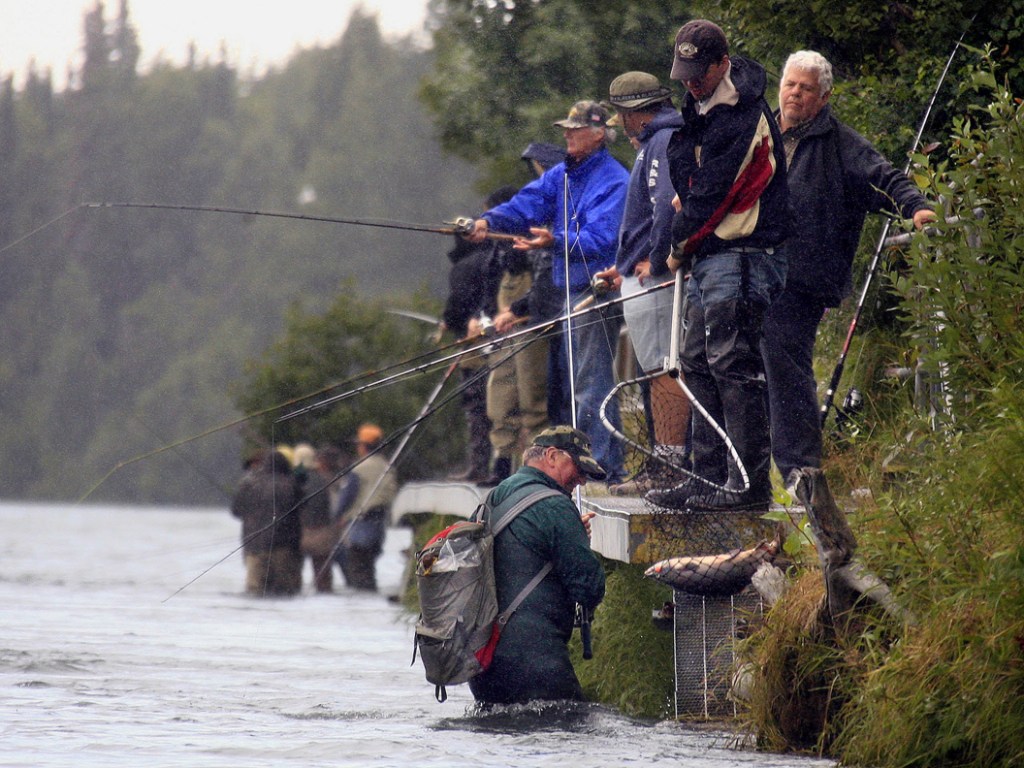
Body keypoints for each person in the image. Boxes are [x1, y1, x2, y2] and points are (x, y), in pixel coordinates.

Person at [762, 50, 936, 483]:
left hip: (801, 277)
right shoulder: (759, 132)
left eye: (806, 88)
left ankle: (800, 474)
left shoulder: (842, 144)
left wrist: (916, 207)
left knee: (787, 370)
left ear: (823, 97)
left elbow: (888, 178)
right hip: (750, 270)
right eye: (790, 84)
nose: (796, 94)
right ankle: (743, 474)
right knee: (737, 369)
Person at [646, 20, 790, 512]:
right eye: (682, 73)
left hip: (745, 252)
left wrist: (677, 242)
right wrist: (686, 228)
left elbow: (713, 194)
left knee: (734, 365)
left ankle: (749, 486)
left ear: (721, 64)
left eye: (697, 74)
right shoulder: (699, 106)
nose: (689, 82)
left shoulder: (743, 115)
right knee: (695, 362)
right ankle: (707, 477)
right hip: (711, 255)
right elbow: (688, 176)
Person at [464, 100, 630, 484]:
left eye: (576, 129)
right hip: (567, 292)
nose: (567, 135)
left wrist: (554, 241)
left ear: (600, 133)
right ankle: (599, 464)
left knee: (590, 385)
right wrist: (487, 221)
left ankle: (603, 468)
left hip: (595, 290)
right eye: (566, 129)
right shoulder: (562, 175)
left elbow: (602, 238)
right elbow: (526, 204)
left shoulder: (614, 180)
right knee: (576, 385)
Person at [593, 71, 692, 495]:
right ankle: (661, 463)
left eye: (621, 115)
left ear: (633, 113)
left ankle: (669, 465)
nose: (623, 123)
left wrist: (655, 261)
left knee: (662, 370)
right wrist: (626, 264)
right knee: (654, 369)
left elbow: (666, 208)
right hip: (641, 275)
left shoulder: (662, 142)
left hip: (658, 279)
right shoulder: (657, 142)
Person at [468, 425, 607, 705]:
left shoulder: (493, 498)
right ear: (552, 456)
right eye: (578, 469)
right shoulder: (556, 506)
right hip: (536, 665)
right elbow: (589, 587)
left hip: (482, 666)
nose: (581, 481)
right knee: (571, 733)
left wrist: (566, 536)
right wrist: (575, 539)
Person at [484, 144, 567, 485]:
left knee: (536, 400)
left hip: (541, 318)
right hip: (531, 313)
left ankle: (540, 473)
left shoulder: (556, 210)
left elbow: (546, 275)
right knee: (508, 392)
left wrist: (519, 310)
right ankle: (511, 465)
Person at [230, 448, 303, 597]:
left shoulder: (249, 483)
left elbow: (236, 511)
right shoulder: (292, 484)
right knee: (285, 593)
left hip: (254, 549)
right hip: (284, 549)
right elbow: (303, 509)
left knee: (255, 592)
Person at [334, 423, 398, 591]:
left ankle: (362, 603)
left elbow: (347, 497)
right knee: (369, 568)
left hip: (360, 526)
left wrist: (337, 516)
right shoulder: (387, 467)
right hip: (379, 524)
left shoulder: (359, 469)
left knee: (358, 569)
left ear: (363, 446)